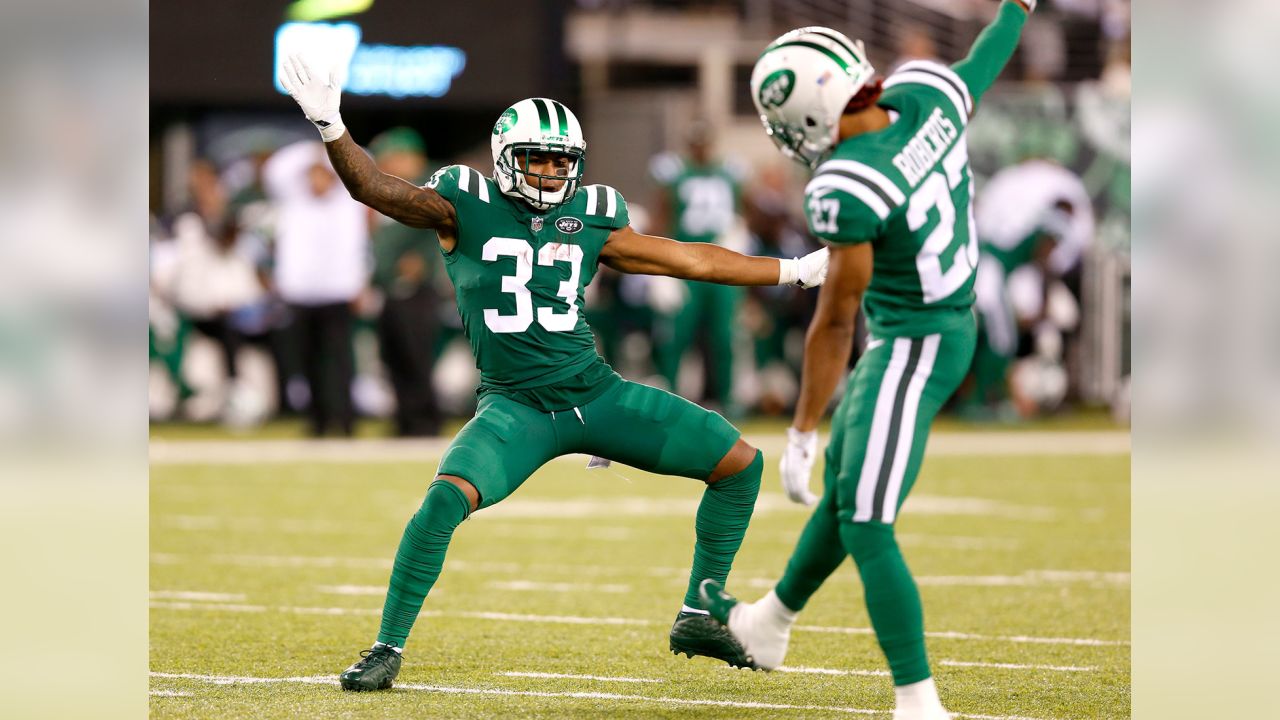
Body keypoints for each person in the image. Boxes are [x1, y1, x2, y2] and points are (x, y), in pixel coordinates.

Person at [279, 57, 830, 691]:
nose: (550, 171)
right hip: (516, 408)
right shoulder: (465, 201)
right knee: (441, 502)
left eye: (560, 160)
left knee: (739, 463)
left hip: (595, 395)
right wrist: (331, 127)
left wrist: (791, 271)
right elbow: (378, 189)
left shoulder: (593, 214)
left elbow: (690, 260)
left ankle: (699, 612)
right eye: (537, 158)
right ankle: (386, 648)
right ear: (506, 155)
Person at [676, 3, 1035, 719]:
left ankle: (919, 701)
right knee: (851, 489)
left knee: (868, 517)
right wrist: (1017, 7)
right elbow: (989, 55)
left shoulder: (846, 184)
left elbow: (838, 316)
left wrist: (803, 425)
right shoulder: (927, 94)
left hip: (914, 339)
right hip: (946, 321)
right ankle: (769, 623)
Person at [263, 139, 370, 437]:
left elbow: (364, 162)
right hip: (301, 293)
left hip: (339, 291)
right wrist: (315, 147)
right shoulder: (293, 200)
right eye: (313, 174)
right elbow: (276, 169)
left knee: (339, 361)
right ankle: (319, 421)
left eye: (323, 174)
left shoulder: (349, 202)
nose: (318, 181)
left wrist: (330, 150)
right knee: (307, 359)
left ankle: (346, 419)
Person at [649, 123, 747, 413]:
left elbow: (742, 213)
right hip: (684, 262)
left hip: (722, 262)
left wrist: (739, 232)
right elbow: (661, 217)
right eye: (696, 142)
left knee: (725, 335)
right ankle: (671, 396)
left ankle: (727, 399)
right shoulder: (674, 172)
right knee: (676, 334)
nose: (701, 148)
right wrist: (658, 267)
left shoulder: (731, 171)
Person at [368, 127, 444, 437]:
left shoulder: (430, 187)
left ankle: (425, 421)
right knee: (394, 356)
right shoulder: (389, 189)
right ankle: (404, 419)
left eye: (391, 158)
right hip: (390, 288)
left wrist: (425, 261)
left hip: (417, 288)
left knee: (416, 357)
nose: (385, 165)